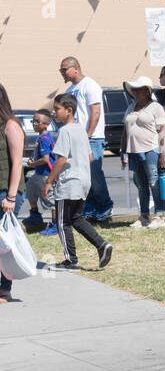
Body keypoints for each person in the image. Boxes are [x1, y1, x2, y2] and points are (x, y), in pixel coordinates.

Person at [43, 93, 112, 270]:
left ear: (69, 110)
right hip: (83, 181)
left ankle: (71, 260)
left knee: (62, 222)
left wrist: (49, 181)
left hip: (69, 182)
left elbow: (61, 159)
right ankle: (102, 245)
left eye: (57, 109)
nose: (54, 112)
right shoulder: (81, 130)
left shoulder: (65, 131)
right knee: (76, 218)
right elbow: (89, 157)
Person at [59, 56, 113, 220]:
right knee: (82, 176)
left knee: (94, 173)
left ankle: (104, 206)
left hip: (92, 138)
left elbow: (95, 112)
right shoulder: (69, 91)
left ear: (75, 68)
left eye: (64, 69)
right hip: (77, 139)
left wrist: (87, 135)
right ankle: (89, 207)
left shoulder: (89, 85)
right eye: (60, 70)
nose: (62, 73)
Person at [122, 76, 165, 228]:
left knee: (154, 182)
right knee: (141, 184)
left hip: (151, 149)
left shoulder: (156, 107)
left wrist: (162, 153)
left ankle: (159, 215)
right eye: (134, 89)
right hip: (134, 151)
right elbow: (125, 130)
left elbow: (162, 132)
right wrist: (123, 152)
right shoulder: (131, 108)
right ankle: (143, 216)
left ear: (147, 91)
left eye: (139, 89)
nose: (135, 92)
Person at [1, 84, 26, 303]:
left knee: (4, 245)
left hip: (6, 194)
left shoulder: (11, 125)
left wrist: (10, 197)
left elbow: (17, 163)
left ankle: (5, 289)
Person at [24, 109, 58, 232]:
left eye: (37, 121)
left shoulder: (44, 139)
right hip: (38, 174)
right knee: (30, 188)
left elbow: (45, 159)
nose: (34, 123)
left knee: (50, 198)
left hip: (46, 174)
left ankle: (55, 225)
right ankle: (35, 216)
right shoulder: (41, 137)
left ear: (46, 124)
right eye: (33, 121)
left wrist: (32, 163)